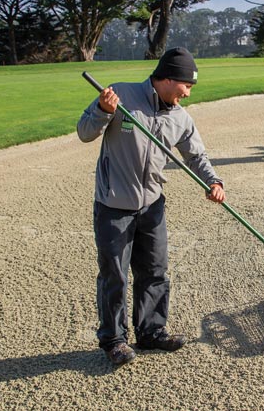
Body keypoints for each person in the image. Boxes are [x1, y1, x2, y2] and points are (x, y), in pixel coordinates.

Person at [77, 47, 226, 366]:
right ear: (169, 79)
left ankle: (151, 332)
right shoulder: (120, 95)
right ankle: (114, 339)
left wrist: (214, 182)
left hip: (152, 205)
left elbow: (196, 156)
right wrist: (103, 110)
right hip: (114, 204)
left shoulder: (181, 118)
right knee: (114, 274)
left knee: (155, 271)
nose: (188, 93)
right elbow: (85, 133)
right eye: (187, 86)